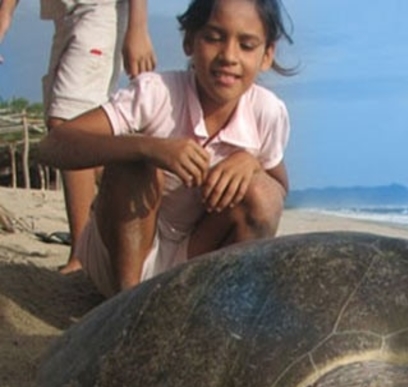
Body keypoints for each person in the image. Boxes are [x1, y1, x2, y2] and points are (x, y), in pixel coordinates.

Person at [39, 0, 292, 297]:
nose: (229, 56)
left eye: (247, 45)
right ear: (189, 41)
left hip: (191, 263)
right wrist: (148, 147)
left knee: (262, 195)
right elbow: (52, 146)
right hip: (121, 258)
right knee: (134, 162)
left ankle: (218, 303)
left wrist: (250, 163)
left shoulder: (267, 112)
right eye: (213, 38)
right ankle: (128, 306)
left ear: (267, 55)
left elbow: (279, 188)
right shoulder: (156, 94)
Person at [42, 0, 157, 274]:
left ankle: (80, 254)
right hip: (65, 13)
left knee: (67, 123)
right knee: (61, 124)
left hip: (99, 9)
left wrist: (138, 28)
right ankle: (145, 205)